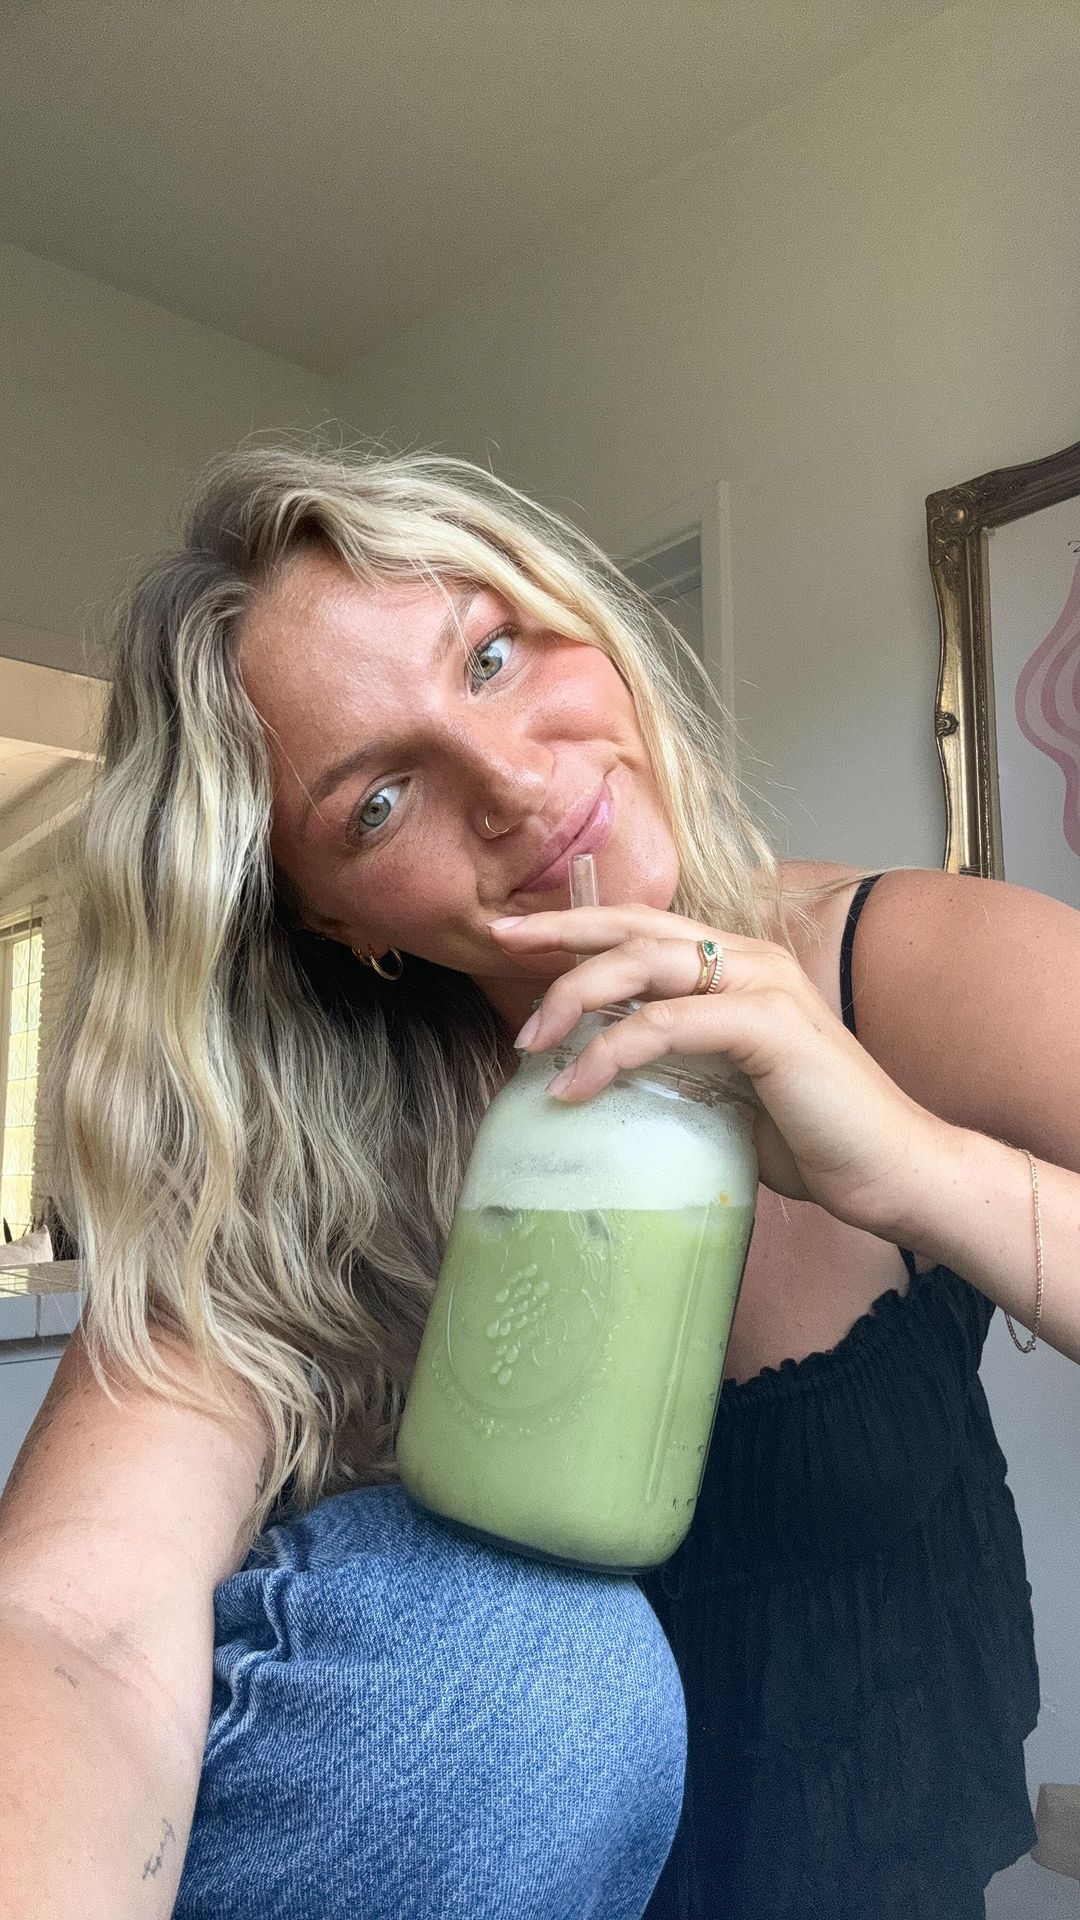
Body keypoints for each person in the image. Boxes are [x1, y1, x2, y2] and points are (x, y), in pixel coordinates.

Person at [0, 447, 1077, 1919]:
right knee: (517, 1661)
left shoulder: (897, 964)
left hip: (880, 1870)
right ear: (332, 923)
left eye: (492, 656)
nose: (514, 783)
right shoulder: (306, 1156)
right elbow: (78, 1618)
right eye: (379, 802)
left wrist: (910, 1165)